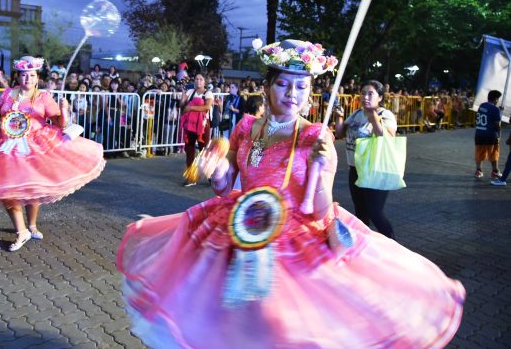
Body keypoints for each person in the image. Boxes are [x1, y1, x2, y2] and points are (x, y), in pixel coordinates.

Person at [117, 40, 464, 348]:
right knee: (228, 322)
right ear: (268, 88)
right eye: (283, 84)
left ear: (310, 91)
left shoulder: (317, 135)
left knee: (278, 326)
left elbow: (320, 211)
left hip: (294, 243)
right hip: (240, 231)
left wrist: (319, 167)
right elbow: (226, 190)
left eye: (301, 86)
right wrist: (217, 169)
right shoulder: (245, 128)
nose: (292, 93)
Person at [0, 56, 105, 251]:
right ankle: (21, 231)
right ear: (18, 76)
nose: (28, 79)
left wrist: (64, 111)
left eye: (32, 75)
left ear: (37, 77)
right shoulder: (8, 94)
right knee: (7, 190)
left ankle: (32, 225)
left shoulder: (43, 97)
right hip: (5, 146)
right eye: (24, 75)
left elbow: (59, 122)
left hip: (33, 147)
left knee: (32, 188)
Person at [334, 80, 398, 238]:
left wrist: (373, 116)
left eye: (370, 93)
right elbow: (340, 133)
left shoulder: (385, 115)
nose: (365, 97)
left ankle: (393, 244)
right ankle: (365, 246)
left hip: (376, 170)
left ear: (380, 97)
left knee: (375, 212)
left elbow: (385, 137)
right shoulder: (356, 114)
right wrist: (339, 117)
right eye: (363, 93)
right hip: (355, 169)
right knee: (361, 213)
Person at [179, 73, 213, 186]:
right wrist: (183, 96)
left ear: (204, 82)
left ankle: (211, 175)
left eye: (201, 79)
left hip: (203, 125)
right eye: (196, 79)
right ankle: (191, 177)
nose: (198, 81)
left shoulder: (208, 93)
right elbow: (182, 106)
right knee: (189, 151)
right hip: (190, 125)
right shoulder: (190, 92)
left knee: (204, 151)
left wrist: (191, 107)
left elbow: (207, 107)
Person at [473, 90, 502, 179]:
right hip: (490, 134)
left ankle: (478, 170)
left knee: (479, 152)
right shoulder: (495, 109)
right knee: (493, 153)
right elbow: (497, 124)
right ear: (496, 99)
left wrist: (498, 111)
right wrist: (499, 134)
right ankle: (495, 171)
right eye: (498, 99)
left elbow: (488, 114)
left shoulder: (482, 105)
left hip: (479, 133)